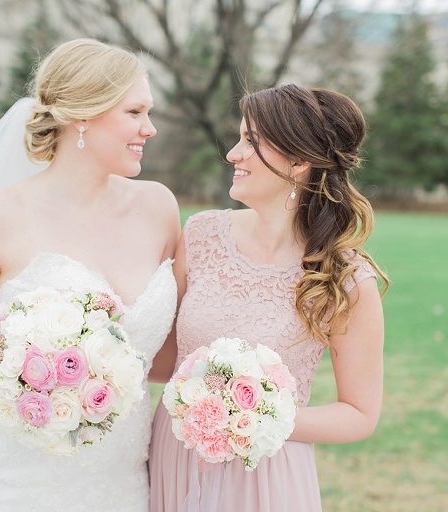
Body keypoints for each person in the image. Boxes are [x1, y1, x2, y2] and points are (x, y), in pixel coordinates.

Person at [0, 38, 180, 512]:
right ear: (83, 115)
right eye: (135, 112)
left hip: (121, 484)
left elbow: (169, 359)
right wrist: (22, 399)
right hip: (5, 482)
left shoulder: (159, 208)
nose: (149, 129)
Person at [148, 84, 388, 512]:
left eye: (251, 142)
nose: (232, 154)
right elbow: (165, 361)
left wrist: (253, 419)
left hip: (266, 476)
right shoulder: (201, 235)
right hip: (176, 456)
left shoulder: (344, 279)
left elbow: (359, 414)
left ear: (299, 161)